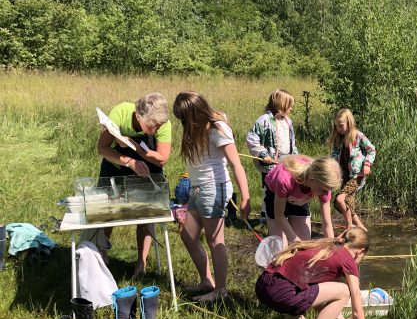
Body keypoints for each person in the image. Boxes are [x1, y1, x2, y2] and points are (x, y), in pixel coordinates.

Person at [172, 91, 251, 302]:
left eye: (184, 118)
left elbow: (236, 164)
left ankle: (221, 290)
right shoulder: (196, 127)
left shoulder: (218, 129)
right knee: (187, 235)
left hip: (214, 188)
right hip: (196, 188)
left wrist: (245, 197)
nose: (182, 122)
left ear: (194, 113)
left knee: (215, 240)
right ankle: (207, 281)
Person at [255, 228, 368, 319]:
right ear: (360, 252)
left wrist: (338, 316)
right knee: (344, 291)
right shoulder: (347, 258)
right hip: (282, 293)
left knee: (300, 291)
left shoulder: (324, 246)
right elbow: (357, 311)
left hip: (263, 286)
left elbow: (312, 296)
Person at [96, 93, 172, 278]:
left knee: (146, 214)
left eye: (159, 126)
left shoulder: (162, 122)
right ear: (138, 116)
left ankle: (141, 262)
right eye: (151, 125)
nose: (155, 130)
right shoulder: (120, 113)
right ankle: (102, 253)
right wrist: (129, 161)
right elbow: (102, 148)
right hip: (117, 163)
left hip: (149, 167)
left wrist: (135, 147)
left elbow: (162, 158)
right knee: (108, 211)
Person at [246, 89, 299, 222]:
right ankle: (266, 216)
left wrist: (296, 157)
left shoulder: (288, 121)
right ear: (280, 105)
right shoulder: (264, 120)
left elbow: (292, 141)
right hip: (270, 164)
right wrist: (263, 154)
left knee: (284, 188)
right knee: (269, 190)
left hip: (286, 161)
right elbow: (252, 138)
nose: (291, 108)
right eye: (289, 105)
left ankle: (281, 213)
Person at [264, 155, 341, 245]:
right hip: (275, 196)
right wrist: (297, 241)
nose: (325, 194)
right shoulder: (285, 179)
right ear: (312, 179)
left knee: (304, 246)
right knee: (280, 249)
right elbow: (279, 216)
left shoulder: (325, 187)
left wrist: (331, 246)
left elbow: (327, 224)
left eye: (327, 190)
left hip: (299, 201)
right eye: (323, 190)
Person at [329, 109, 376, 232]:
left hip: (357, 175)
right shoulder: (339, 139)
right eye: (337, 126)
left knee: (340, 199)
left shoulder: (358, 136)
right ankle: (361, 227)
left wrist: (367, 165)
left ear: (349, 123)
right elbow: (334, 154)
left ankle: (349, 225)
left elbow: (371, 150)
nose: (338, 129)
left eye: (341, 126)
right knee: (345, 202)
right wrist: (331, 165)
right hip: (345, 175)